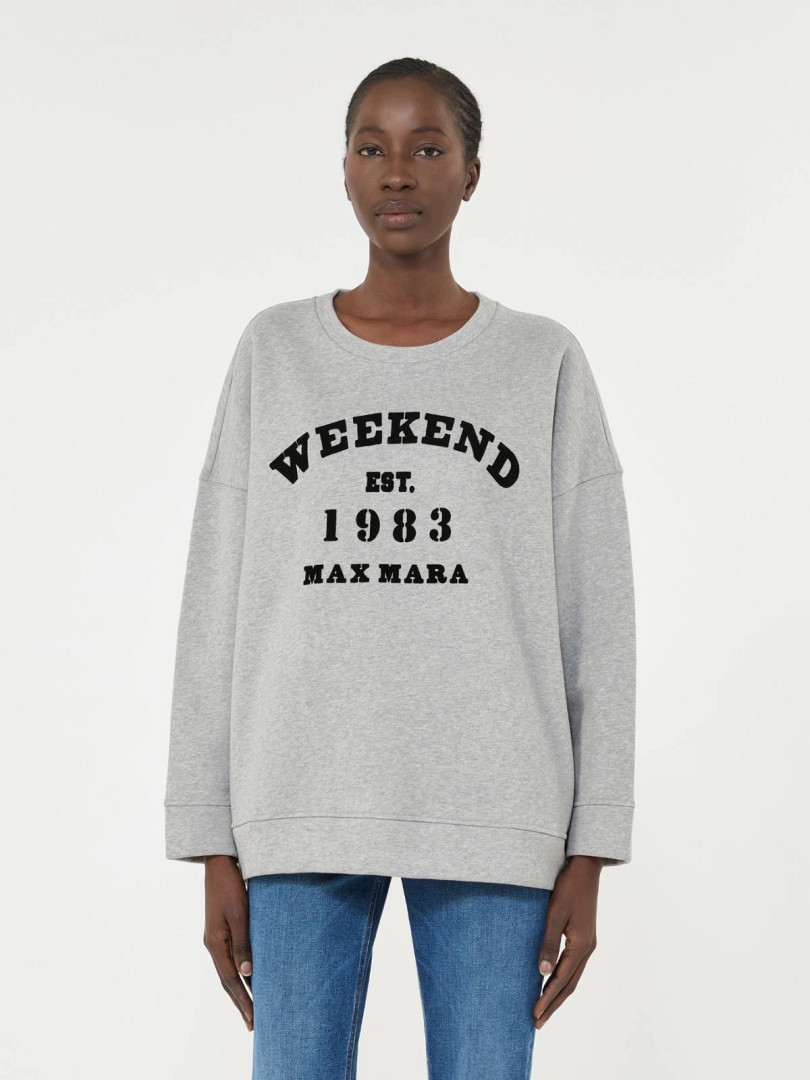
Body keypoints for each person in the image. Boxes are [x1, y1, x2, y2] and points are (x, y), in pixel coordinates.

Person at [164, 57, 637, 1080]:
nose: (397, 172)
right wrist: (209, 837)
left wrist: (592, 847)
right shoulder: (275, 352)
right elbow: (215, 601)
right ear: (343, 169)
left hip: (496, 809)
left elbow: (598, 615)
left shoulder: (542, 362)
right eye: (371, 147)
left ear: (471, 173)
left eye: (428, 148)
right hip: (298, 798)